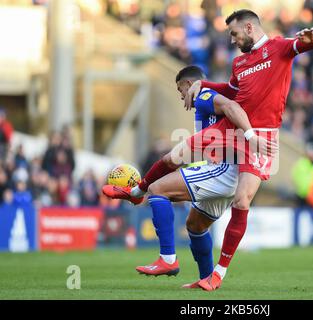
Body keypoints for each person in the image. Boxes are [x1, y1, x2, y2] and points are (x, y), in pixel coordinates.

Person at [104, 9, 313, 291]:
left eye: (233, 33)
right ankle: (139, 195)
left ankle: (210, 270)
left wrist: (312, 38)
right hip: (232, 132)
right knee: (185, 191)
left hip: (257, 136)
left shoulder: (279, 47)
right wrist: (203, 84)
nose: (231, 40)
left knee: (241, 201)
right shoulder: (240, 63)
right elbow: (232, 94)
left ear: (248, 28)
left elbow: (310, 44)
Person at [105, 65, 262, 289]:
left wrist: (248, 135)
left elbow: (231, 106)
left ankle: (167, 259)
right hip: (230, 172)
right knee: (195, 225)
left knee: (158, 190)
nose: (181, 97)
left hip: (226, 170)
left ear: (189, 85)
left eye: (180, 90)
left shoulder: (205, 95)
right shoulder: (208, 104)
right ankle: (206, 280)